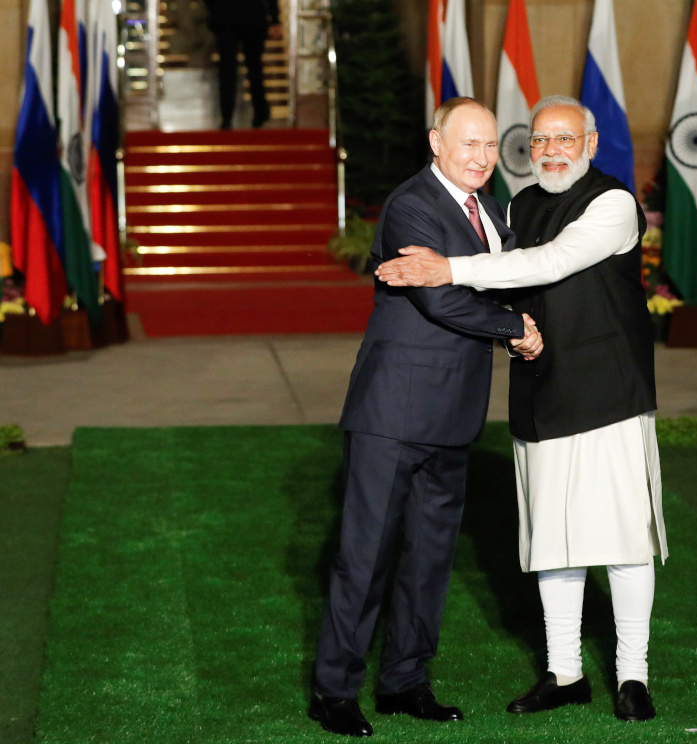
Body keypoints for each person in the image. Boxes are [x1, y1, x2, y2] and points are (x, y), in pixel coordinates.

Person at [375, 95, 666, 723]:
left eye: (566, 139)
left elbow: (551, 261)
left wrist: (444, 267)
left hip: (609, 390)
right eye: (540, 141)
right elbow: (507, 273)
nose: (552, 151)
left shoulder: (613, 204)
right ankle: (565, 674)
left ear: (591, 143)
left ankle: (633, 675)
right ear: (527, 149)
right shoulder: (518, 204)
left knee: (622, 542)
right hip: (540, 385)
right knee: (551, 541)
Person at [309, 97, 544, 738]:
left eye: (492, 146)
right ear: (437, 141)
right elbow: (442, 299)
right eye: (469, 144)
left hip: (454, 415)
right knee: (366, 557)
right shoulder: (412, 204)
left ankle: (406, 683)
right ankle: (334, 692)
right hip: (393, 413)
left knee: (430, 559)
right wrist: (512, 328)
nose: (482, 158)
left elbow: (508, 273)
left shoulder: (490, 210)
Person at [203, 0, 280, 129]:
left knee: (229, 69)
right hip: (250, 15)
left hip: (226, 15)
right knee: (253, 67)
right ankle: (259, 111)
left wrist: (214, 8)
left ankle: (227, 115)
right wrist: (275, 18)